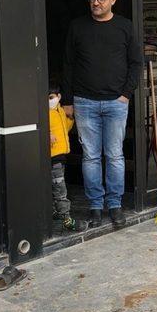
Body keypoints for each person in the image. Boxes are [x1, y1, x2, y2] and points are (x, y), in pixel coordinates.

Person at [62, 0, 142, 229]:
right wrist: (67, 100)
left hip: (116, 103)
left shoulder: (125, 27)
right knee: (91, 157)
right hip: (84, 102)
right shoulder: (78, 26)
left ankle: (115, 205)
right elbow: (68, 65)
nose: (96, 2)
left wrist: (126, 94)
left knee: (115, 156)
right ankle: (96, 207)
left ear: (112, 0)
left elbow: (136, 63)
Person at [48, 84, 87, 232]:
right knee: (59, 188)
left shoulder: (60, 111)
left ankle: (57, 212)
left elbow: (65, 128)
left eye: (52, 97)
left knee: (56, 186)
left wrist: (71, 119)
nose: (49, 101)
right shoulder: (45, 113)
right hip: (53, 157)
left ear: (59, 97)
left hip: (61, 156)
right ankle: (66, 218)